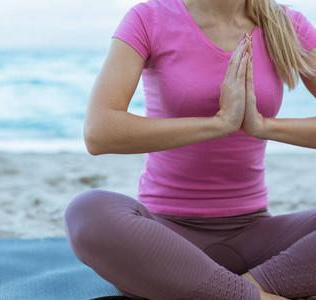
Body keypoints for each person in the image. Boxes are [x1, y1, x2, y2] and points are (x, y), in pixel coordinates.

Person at [64, 0, 316, 299]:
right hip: (163, 246)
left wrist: (263, 126)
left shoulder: (287, 24)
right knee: (87, 211)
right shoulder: (150, 18)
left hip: (259, 244)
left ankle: (239, 292)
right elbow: (99, 131)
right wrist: (219, 123)